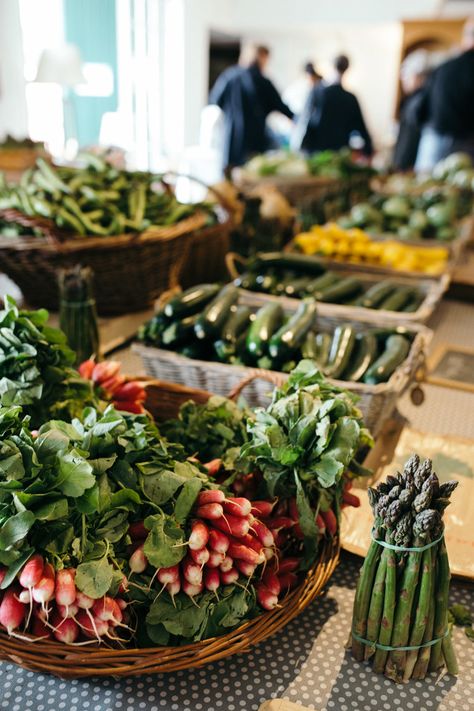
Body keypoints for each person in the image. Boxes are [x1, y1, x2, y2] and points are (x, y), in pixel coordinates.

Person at [208, 45, 294, 170]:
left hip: (231, 138)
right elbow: (280, 107)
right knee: (252, 176)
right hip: (255, 140)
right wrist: (298, 120)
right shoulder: (263, 81)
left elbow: (215, 100)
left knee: (230, 179)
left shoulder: (230, 76)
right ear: (261, 57)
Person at [414, 17, 474, 171]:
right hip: (466, 145)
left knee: (424, 188)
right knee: (460, 192)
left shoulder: (443, 68)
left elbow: (420, 109)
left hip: (434, 140)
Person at [294, 54, 373, 157]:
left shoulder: (317, 92)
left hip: (316, 153)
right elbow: (362, 128)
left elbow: (304, 119)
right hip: (339, 154)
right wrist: (369, 151)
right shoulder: (350, 98)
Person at [392, 51, 431, 171]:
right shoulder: (417, 98)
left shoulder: (418, 100)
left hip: (409, 164)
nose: (404, 81)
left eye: (406, 76)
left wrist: (400, 165)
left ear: (419, 76)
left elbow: (410, 137)